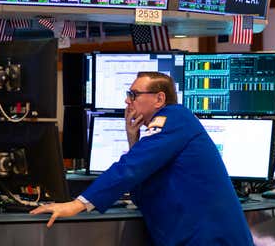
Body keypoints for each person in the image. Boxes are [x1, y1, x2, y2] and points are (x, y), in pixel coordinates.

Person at [31, 71, 254, 245]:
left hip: (209, 239)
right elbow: (141, 182)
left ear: (159, 99)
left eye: (134, 95)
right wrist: (132, 138)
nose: (128, 101)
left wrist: (77, 204)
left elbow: (131, 168)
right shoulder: (169, 127)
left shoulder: (175, 119)